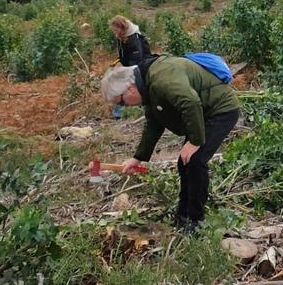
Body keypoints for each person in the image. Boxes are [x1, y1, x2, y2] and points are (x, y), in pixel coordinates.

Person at [101, 54, 240, 233]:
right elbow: (153, 124)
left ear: (130, 89)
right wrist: (138, 158)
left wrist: (195, 141)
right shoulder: (148, 85)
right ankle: (183, 216)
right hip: (201, 114)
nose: (124, 106)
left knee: (196, 160)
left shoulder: (161, 78)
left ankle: (196, 221)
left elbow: (189, 102)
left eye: (121, 102)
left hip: (220, 109)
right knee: (184, 163)